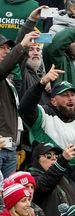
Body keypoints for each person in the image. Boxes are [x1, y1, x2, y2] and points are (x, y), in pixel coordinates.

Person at [0, 31, 41, 178]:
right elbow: (6, 65)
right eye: (2, 47)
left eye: (8, 48)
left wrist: (31, 21)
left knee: (8, 197)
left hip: (10, 148)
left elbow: (17, 61)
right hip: (1, 148)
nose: (7, 51)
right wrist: (22, 45)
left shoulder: (8, 79)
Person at [29, 142, 75, 216]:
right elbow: (44, 185)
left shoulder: (67, 179)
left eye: (57, 156)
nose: (54, 158)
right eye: (48, 155)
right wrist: (62, 161)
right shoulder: (31, 178)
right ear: (37, 159)